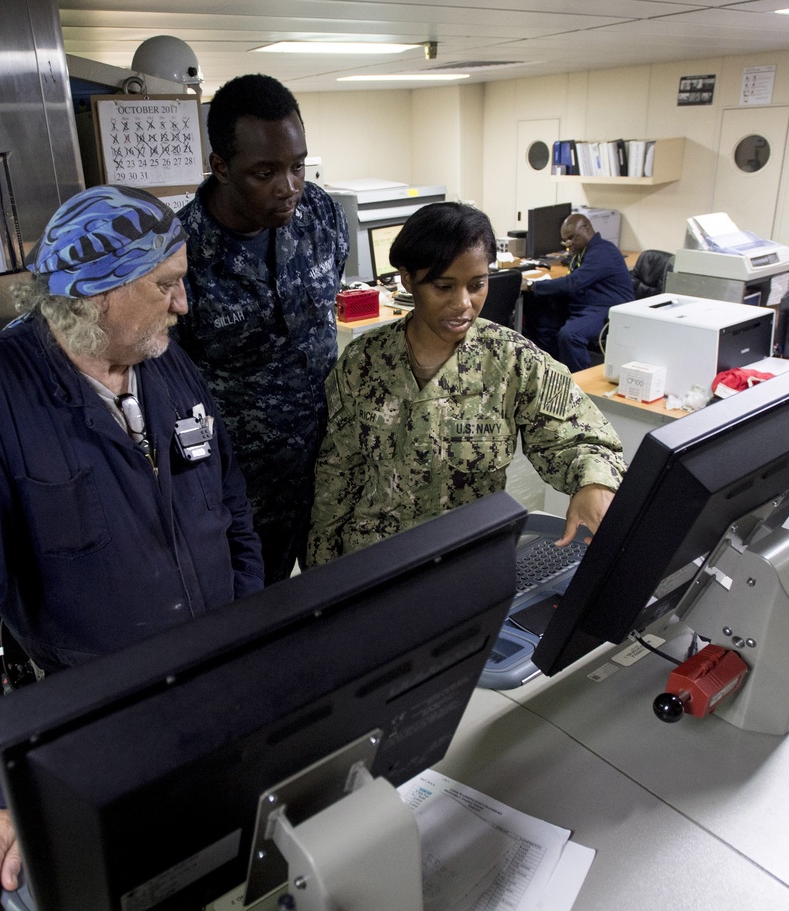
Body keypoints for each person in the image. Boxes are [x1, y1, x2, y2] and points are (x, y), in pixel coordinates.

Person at [0, 186, 264, 911]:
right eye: (164, 284)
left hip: (215, 700)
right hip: (95, 726)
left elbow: (234, 519)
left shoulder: (165, 367)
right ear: (94, 291)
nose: (184, 304)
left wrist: (250, 644)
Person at [307, 202, 626, 567]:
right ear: (408, 279)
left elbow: (583, 440)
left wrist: (594, 483)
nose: (463, 304)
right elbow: (337, 474)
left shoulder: (513, 360)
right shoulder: (363, 361)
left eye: (477, 285)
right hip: (376, 562)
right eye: (444, 287)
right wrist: (322, 574)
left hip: (466, 560)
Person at [175, 73, 350, 583]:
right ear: (221, 167)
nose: (289, 186)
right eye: (265, 172)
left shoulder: (321, 215)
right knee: (256, 620)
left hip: (331, 467)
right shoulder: (180, 256)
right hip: (244, 494)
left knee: (342, 605)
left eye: (297, 166)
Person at [524, 212, 634, 372]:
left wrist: (532, 286)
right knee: (541, 319)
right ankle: (553, 371)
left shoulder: (603, 252)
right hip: (585, 305)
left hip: (607, 309)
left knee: (570, 335)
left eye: (571, 238)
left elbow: (573, 283)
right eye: (565, 240)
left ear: (587, 229)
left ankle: (578, 383)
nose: (568, 244)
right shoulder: (584, 252)